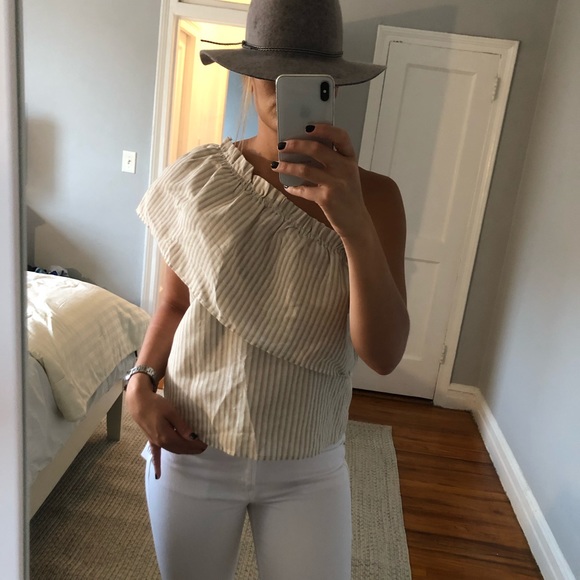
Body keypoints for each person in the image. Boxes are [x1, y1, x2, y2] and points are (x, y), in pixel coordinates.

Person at [125, 0, 409, 578]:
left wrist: (353, 223)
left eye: (306, 75)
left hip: (309, 461)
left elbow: (383, 355)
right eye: (272, 70)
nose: (283, 87)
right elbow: (174, 303)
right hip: (193, 444)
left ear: (331, 86)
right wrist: (140, 383)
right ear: (248, 78)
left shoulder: (376, 198)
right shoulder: (199, 179)